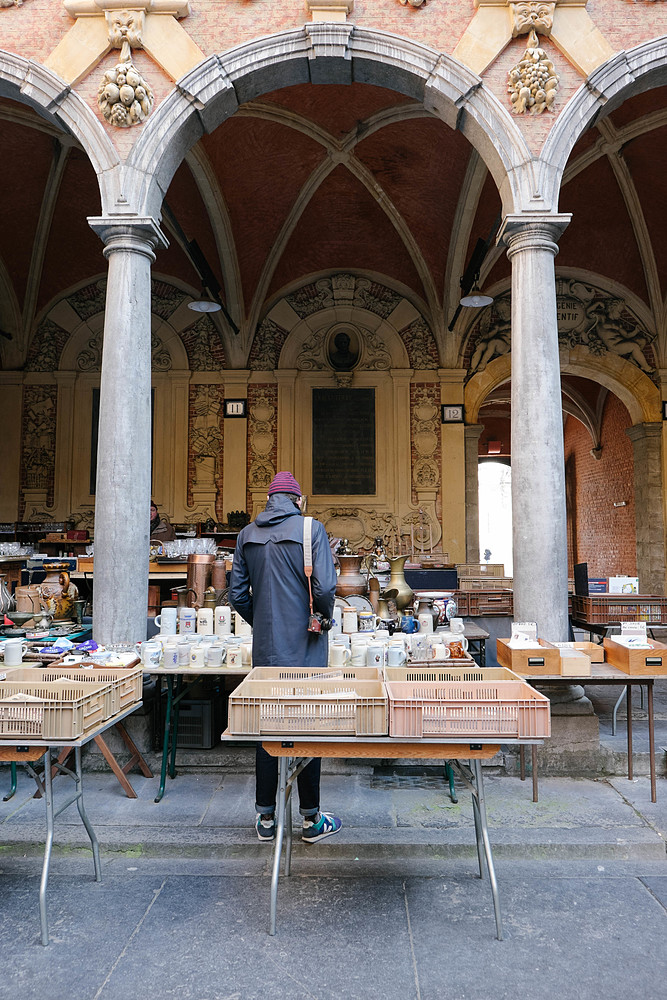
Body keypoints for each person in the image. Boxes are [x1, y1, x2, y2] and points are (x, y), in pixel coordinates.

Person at [229, 470, 342, 844]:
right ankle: (311, 821)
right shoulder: (312, 530)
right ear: (298, 501)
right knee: (307, 727)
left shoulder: (247, 534)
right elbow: (325, 587)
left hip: (267, 647)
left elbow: (237, 595)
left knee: (268, 727)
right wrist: (322, 619)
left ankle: (265, 818)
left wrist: (261, 620)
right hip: (306, 648)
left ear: (268, 501)